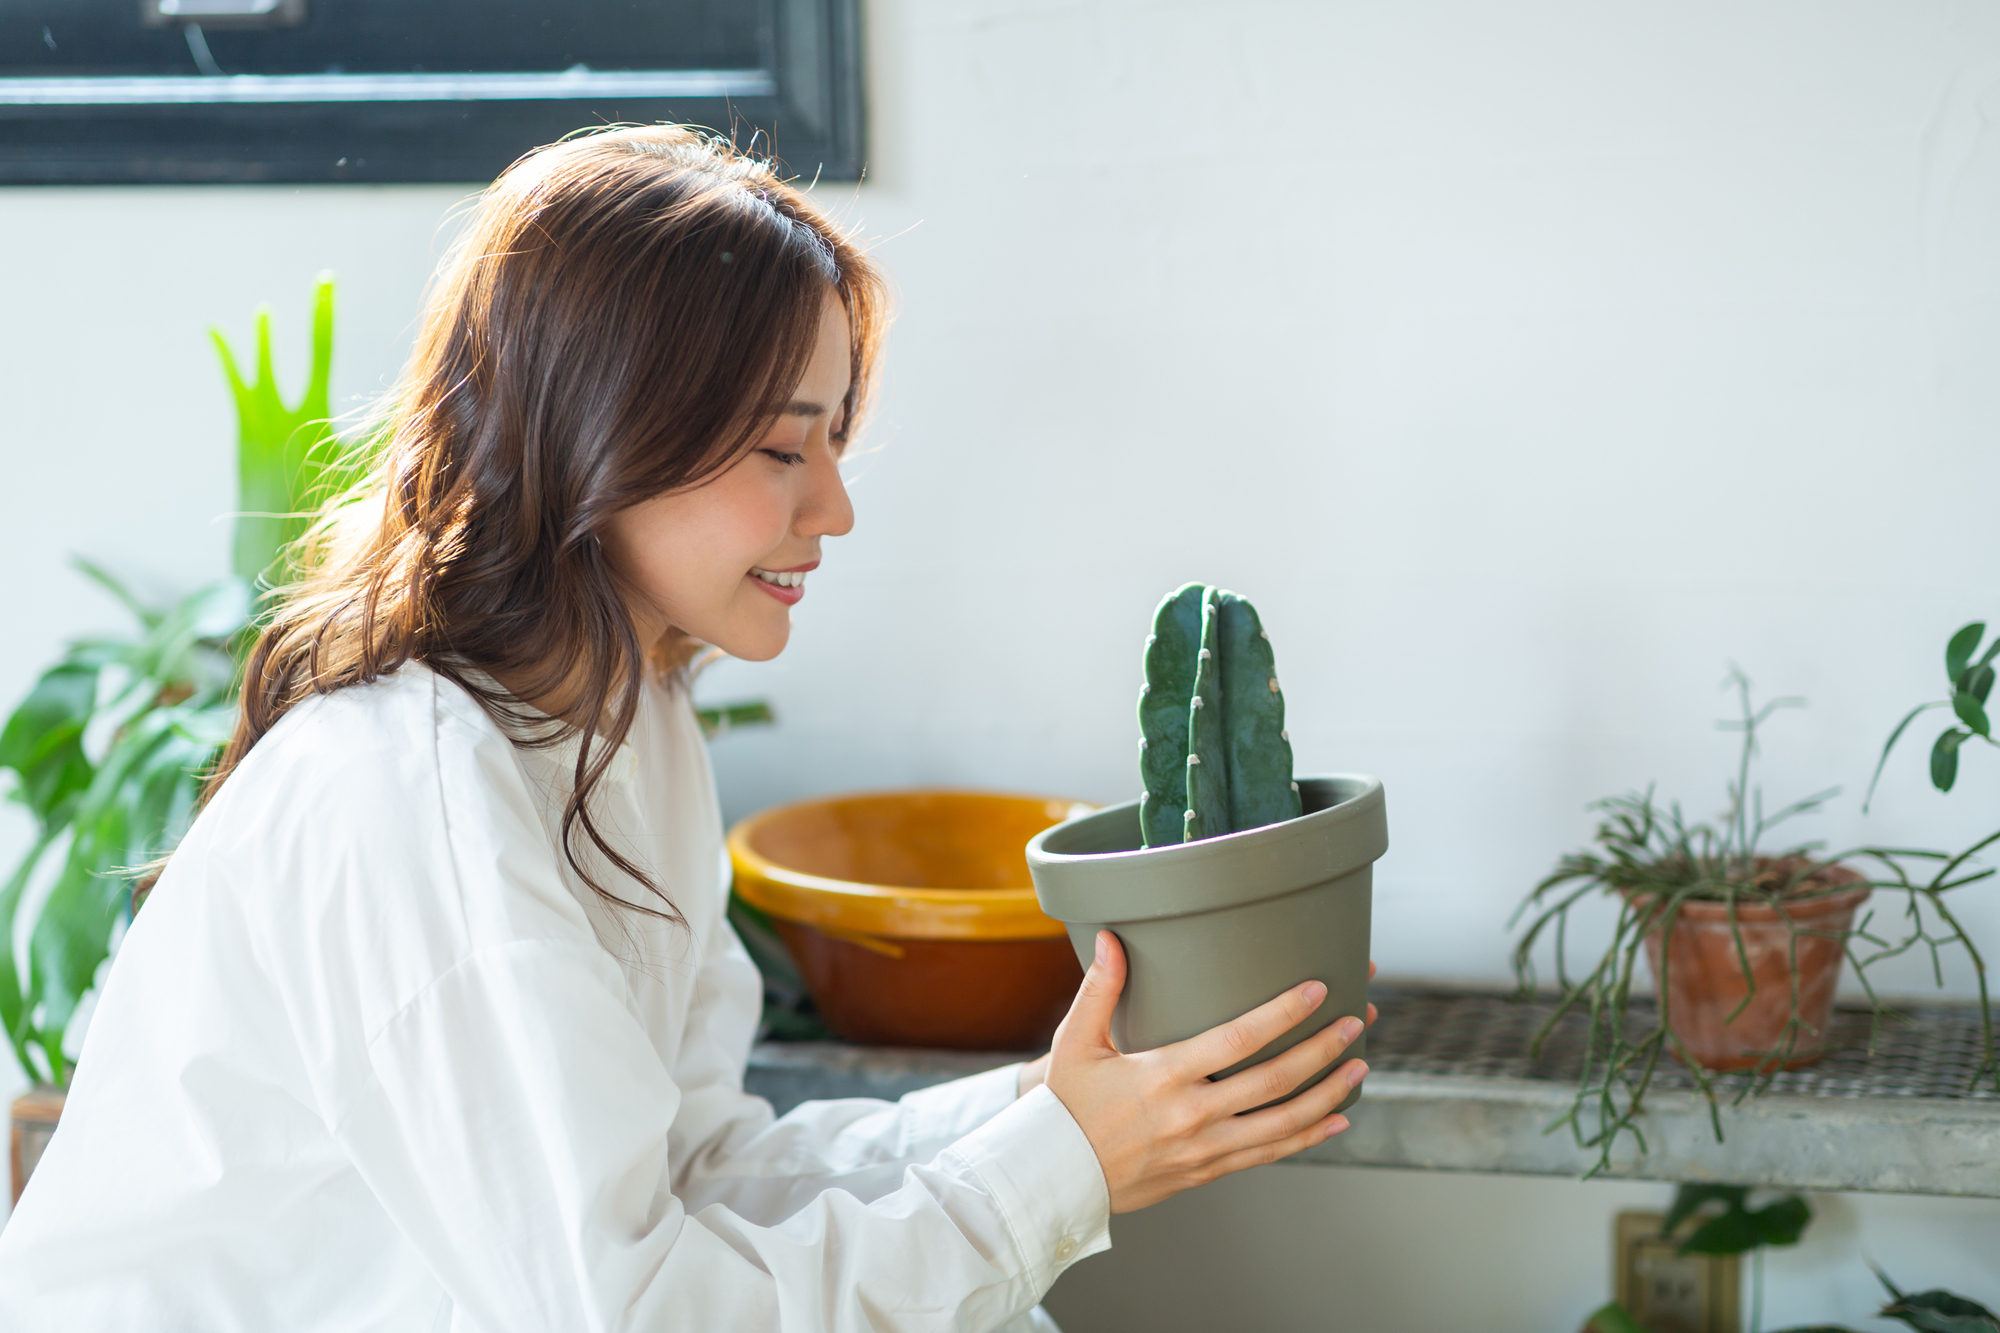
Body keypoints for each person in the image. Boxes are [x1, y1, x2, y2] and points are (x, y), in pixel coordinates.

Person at [0, 125, 1372, 1331]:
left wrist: (1067, 1112)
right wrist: (1060, 1167)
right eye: (786, 448)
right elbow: (637, 1312)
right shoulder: (409, 797)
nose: (833, 507)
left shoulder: (621, 726)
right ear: (604, 435)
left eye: (834, 439)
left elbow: (702, 1166)